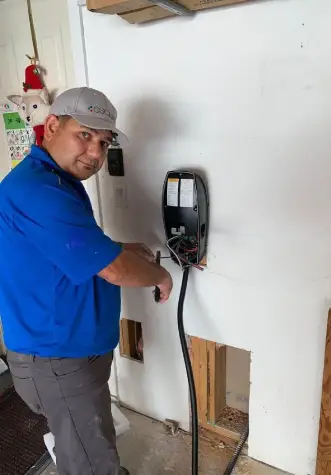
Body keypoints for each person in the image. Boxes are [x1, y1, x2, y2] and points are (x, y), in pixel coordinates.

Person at [0, 87, 173, 475]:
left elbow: (70, 247)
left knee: (88, 436)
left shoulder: (55, 181)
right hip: (58, 359)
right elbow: (112, 269)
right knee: (86, 457)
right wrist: (159, 275)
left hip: (69, 351)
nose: (95, 154)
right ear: (52, 126)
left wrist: (118, 246)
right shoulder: (39, 192)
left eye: (104, 142)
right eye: (85, 135)